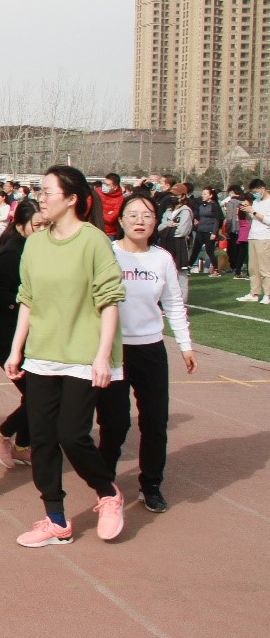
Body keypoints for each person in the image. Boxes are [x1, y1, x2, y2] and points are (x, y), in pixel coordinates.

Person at [5, 165, 127, 548]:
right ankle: (56, 520)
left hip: (83, 355)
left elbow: (109, 301)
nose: (40, 199)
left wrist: (103, 356)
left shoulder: (94, 241)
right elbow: (27, 299)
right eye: (39, 192)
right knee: (42, 438)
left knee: (72, 434)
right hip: (42, 354)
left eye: (47, 192)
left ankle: (107, 492)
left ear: (72, 198)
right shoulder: (35, 244)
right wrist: (16, 349)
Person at [95, 194, 196, 514]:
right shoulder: (106, 253)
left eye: (147, 215)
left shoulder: (162, 259)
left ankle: (151, 484)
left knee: (155, 421)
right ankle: (104, 481)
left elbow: (174, 303)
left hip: (151, 350)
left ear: (156, 222)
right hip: (113, 350)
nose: (140, 220)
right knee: (114, 422)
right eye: (133, 214)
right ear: (121, 220)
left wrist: (185, 345)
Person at [0, 199, 45, 470]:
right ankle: (1, 433)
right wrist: (28, 302)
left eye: (47, 225)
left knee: (36, 392)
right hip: (4, 334)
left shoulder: (35, 249)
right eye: (37, 225)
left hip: (26, 333)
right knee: (40, 395)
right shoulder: (11, 255)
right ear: (20, 226)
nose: (43, 230)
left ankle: (21, 446)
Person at [157, 185, 194, 299]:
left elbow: (182, 231)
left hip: (179, 244)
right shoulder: (168, 210)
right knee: (165, 272)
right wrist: (170, 225)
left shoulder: (186, 211)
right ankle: (164, 299)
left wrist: (168, 229)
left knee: (180, 272)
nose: (172, 197)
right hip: (165, 243)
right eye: (171, 195)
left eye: (175, 195)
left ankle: (181, 300)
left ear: (183, 196)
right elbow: (160, 227)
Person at [237, 179, 270, 303]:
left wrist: (253, 211)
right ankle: (254, 293)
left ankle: (268, 294)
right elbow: (252, 218)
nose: (255, 194)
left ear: (262, 189)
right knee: (253, 268)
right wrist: (246, 211)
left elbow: (268, 220)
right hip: (253, 236)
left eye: (256, 191)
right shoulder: (256, 202)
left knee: (264, 268)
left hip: (264, 238)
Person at [100, 172, 125, 237]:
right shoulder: (97, 192)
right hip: (95, 229)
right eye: (104, 183)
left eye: (107, 185)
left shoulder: (120, 199)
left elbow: (111, 218)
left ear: (115, 187)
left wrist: (97, 214)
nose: (104, 186)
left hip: (109, 234)